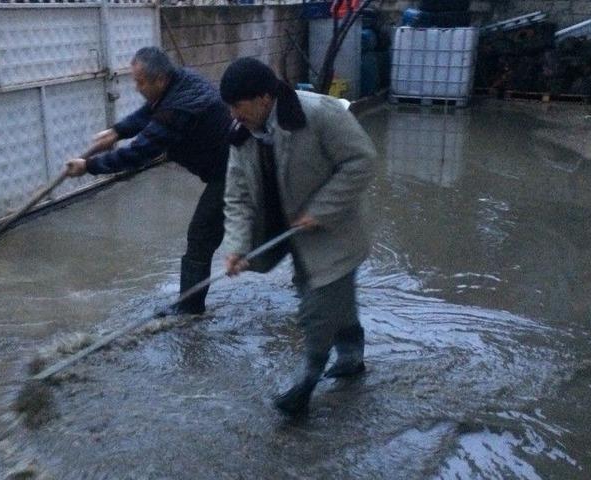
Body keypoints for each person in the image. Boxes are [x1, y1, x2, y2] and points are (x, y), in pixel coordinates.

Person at [218, 57, 376, 415]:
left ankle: (306, 382)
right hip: (286, 228)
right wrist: (237, 246)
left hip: (333, 228)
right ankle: (352, 359)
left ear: (263, 98)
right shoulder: (241, 134)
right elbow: (237, 195)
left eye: (237, 105)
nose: (233, 114)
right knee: (336, 295)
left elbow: (362, 161)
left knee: (317, 303)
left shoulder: (319, 114)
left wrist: (321, 210)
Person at [66, 47, 232, 316]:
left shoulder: (177, 109)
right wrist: (117, 131)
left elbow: (138, 153)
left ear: (160, 80)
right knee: (210, 234)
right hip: (223, 166)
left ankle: (189, 312)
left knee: (201, 236)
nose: (136, 87)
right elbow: (148, 113)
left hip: (231, 173)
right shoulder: (183, 80)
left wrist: (88, 166)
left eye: (140, 82)